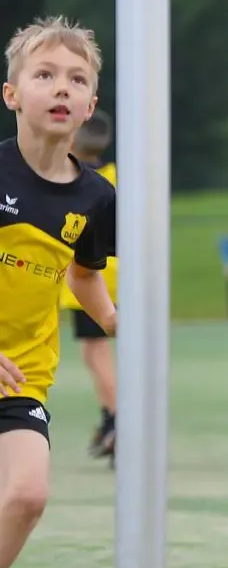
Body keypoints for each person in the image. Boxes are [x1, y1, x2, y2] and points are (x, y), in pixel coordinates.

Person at [0, 19, 117, 568]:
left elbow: (85, 275)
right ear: (13, 95)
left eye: (75, 79)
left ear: (90, 104)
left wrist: (117, 320)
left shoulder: (96, 197)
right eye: (44, 75)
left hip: (21, 378)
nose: (61, 87)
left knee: (26, 496)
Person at [58, 112, 118, 462]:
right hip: (118, 270)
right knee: (96, 351)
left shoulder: (77, 180)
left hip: (91, 272)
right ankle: (109, 417)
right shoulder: (116, 174)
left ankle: (117, 419)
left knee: (96, 352)